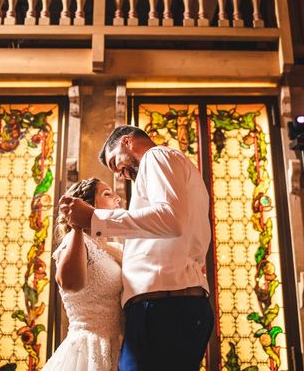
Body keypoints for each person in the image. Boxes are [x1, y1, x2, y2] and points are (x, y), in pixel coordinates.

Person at [59, 125, 214, 371]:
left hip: (162, 309)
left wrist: (95, 219)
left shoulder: (156, 156)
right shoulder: (175, 170)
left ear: (128, 142)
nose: (120, 175)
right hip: (176, 304)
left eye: (114, 162)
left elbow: (170, 219)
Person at [43, 178, 124, 371]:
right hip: (89, 348)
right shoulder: (75, 241)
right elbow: (70, 284)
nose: (117, 198)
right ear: (86, 206)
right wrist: (78, 226)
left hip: (121, 346)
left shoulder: (114, 248)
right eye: (107, 194)